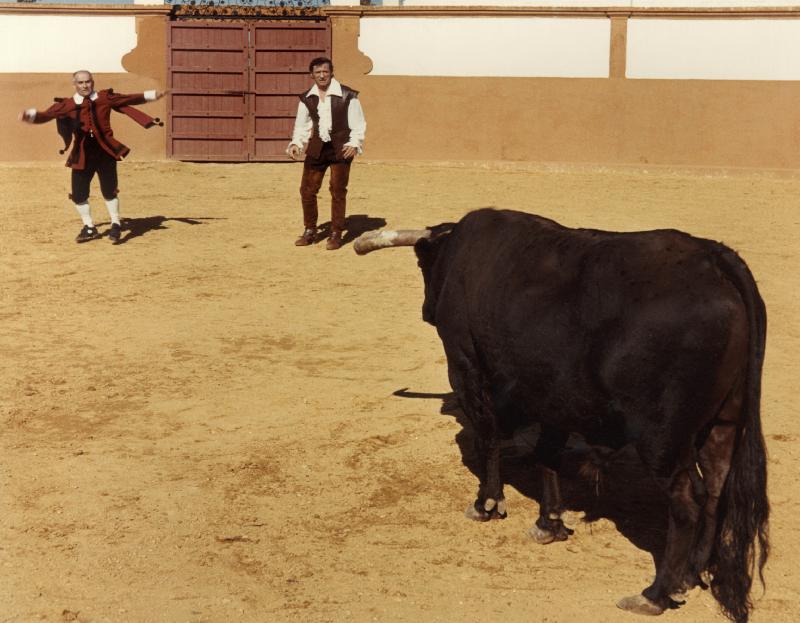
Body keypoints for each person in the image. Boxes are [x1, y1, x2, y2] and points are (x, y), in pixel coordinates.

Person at [19, 70, 166, 244]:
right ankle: (89, 227)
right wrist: (31, 115)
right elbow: (46, 115)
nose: (85, 86)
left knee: (109, 190)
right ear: (75, 84)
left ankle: (116, 223)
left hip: (105, 152)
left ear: (92, 82)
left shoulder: (104, 98)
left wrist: (152, 95)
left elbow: (128, 98)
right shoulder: (67, 104)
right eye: (80, 83)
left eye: (88, 82)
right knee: (79, 194)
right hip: (82, 154)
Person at [287, 57, 366, 250]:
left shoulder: (348, 96)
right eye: (318, 72)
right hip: (317, 148)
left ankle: (336, 233)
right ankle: (309, 230)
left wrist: (354, 143)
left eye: (325, 71)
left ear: (332, 73)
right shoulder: (307, 98)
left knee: (338, 190)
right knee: (307, 190)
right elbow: (302, 126)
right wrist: (297, 143)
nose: (322, 75)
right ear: (311, 75)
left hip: (340, 149)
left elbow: (358, 123)